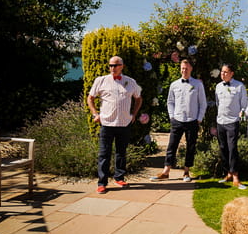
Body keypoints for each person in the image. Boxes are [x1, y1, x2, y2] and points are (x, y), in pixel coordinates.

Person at [87, 56, 142, 194]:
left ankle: (119, 177)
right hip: (107, 123)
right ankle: (102, 183)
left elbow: (139, 98)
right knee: (104, 153)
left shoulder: (130, 82)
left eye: (116, 65)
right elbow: (90, 98)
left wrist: (133, 115)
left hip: (124, 123)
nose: (112, 68)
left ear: (122, 66)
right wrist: (95, 114)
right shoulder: (101, 81)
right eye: (111, 65)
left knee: (121, 153)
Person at [150, 59, 206, 182]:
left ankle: (186, 172)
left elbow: (203, 103)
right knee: (171, 146)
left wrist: (199, 119)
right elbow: (170, 102)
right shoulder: (174, 85)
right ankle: (166, 171)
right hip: (177, 120)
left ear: (191, 68)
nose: (184, 70)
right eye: (182, 68)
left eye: (186, 68)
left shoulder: (197, 84)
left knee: (190, 146)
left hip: (192, 120)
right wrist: (172, 116)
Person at [215, 63, 247, 189]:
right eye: (222, 72)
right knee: (223, 148)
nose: (223, 74)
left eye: (226, 72)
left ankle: (235, 176)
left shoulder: (240, 86)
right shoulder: (218, 86)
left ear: (232, 73)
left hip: (233, 122)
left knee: (232, 148)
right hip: (220, 121)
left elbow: (244, 104)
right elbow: (218, 103)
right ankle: (227, 173)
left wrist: (241, 114)